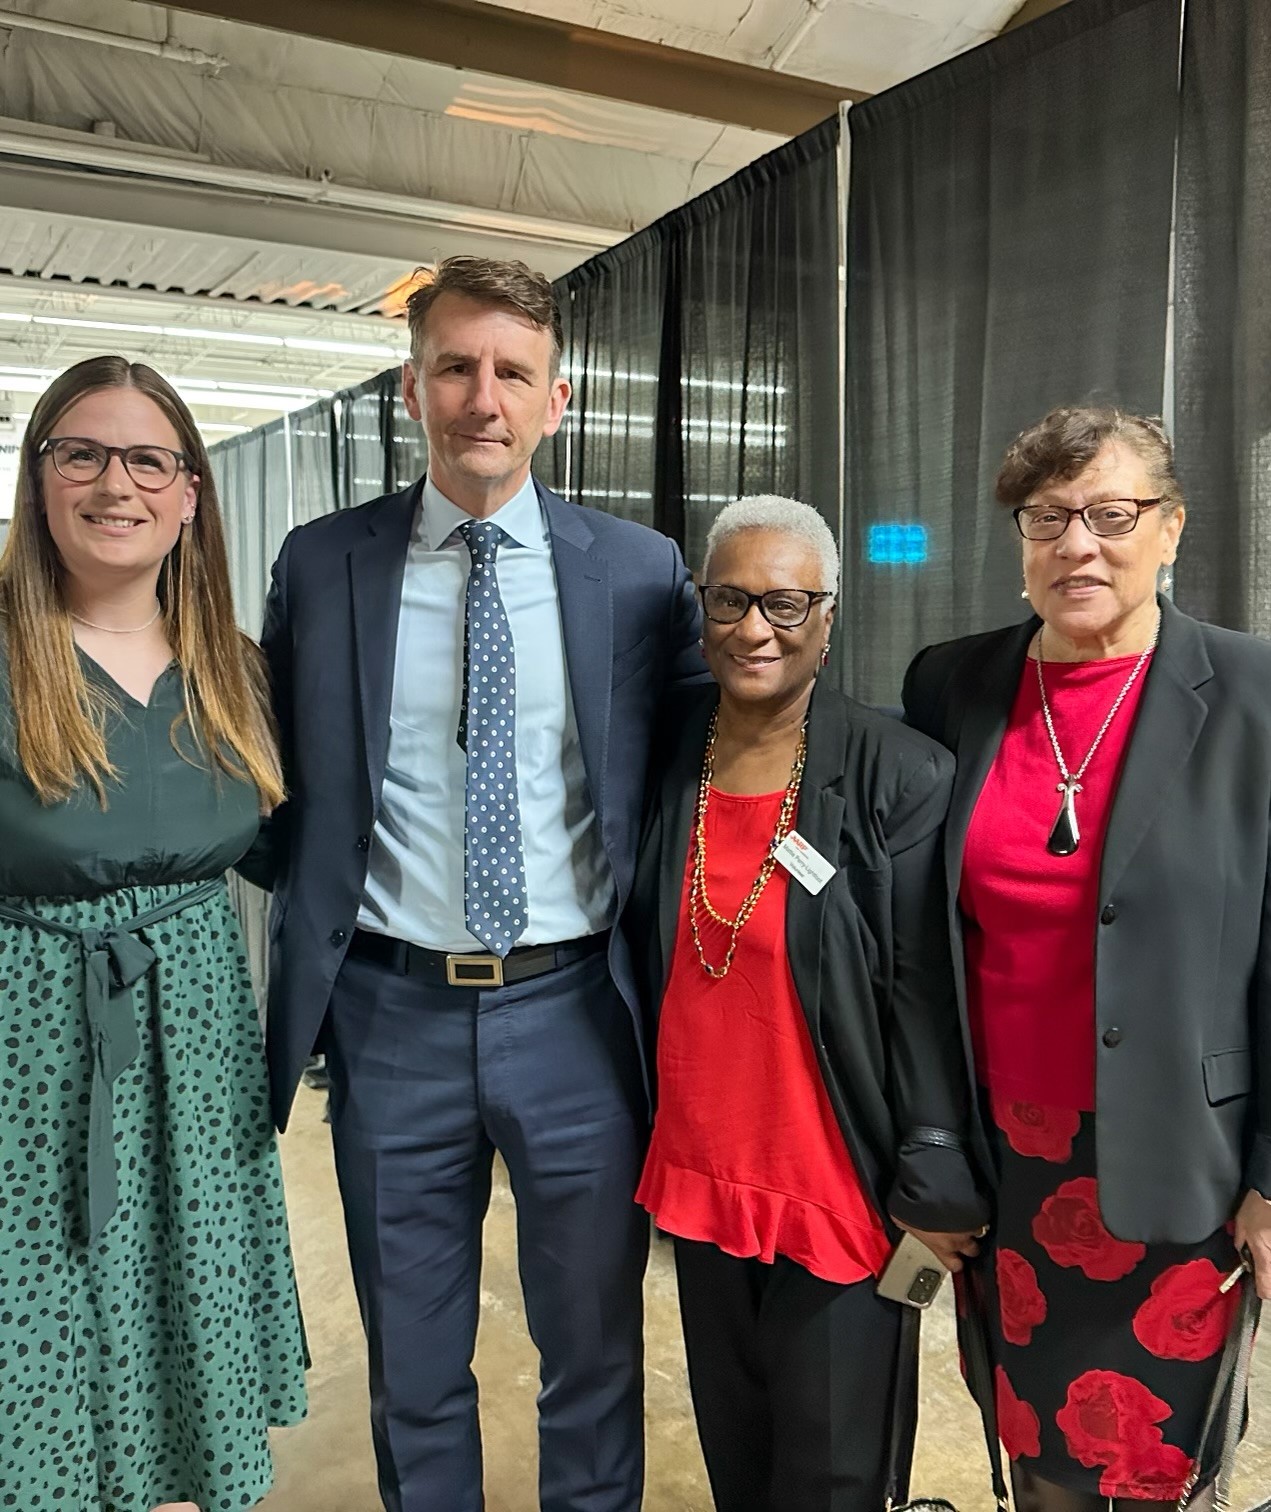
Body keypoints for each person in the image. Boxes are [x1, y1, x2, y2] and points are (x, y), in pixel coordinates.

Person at [244, 254, 701, 1512]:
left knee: (594, 1353)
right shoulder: (322, 563)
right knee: (415, 1363)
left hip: (576, 1018)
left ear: (557, 401)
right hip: (390, 1018)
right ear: (412, 389)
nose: (481, 398)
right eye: (455, 367)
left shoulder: (638, 572)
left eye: (512, 372)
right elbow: (279, 776)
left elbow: (697, 770)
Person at [903, 406, 1271, 1510]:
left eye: (1111, 514)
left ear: (1170, 530)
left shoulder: (1253, 694)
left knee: (1157, 1467)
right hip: (1001, 1169)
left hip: (1183, 1166)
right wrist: (925, 1151)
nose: (1077, 545)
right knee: (1037, 1458)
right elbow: (917, 946)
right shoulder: (949, 687)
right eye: (1046, 518)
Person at [627, 494, 988, 1512]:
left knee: (832, 1479)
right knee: (738, 1463)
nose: (753, 630)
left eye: (785, 607)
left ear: (827, 619)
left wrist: (931, 1157)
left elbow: (925, 985)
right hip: (702, 1177)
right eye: (730, 601)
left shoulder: (897, 773)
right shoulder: (667, 755)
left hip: (836, 1187)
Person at [0, 356, 307, 1512]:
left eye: (146, 459)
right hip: (26, 1063)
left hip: (197, 1054)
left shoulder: (235, 675)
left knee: (184, 1335)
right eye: (79, 452)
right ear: (39, 481)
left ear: (188, 495)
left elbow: (292, 855)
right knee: (34, 1343)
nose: (113, 483)